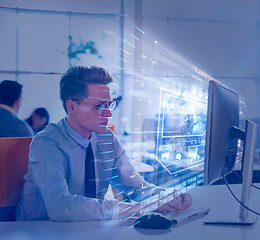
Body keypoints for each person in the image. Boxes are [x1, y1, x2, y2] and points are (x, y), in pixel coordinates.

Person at [16, 66, 191, 221]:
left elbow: (135, 186)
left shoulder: (106, 138)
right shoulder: (48, 143)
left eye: (109, 105)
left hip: (88, 228)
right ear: (72, 106)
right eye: (99, 106)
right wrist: (140, 208)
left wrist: (164, 196)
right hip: (40, 229)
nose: (108, 114)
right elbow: (61, 208)